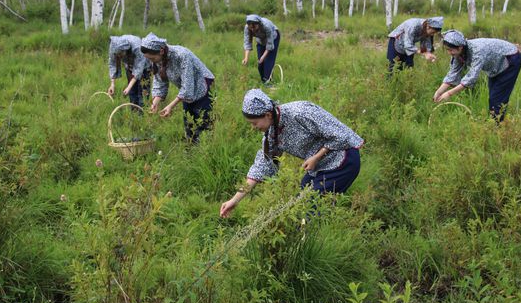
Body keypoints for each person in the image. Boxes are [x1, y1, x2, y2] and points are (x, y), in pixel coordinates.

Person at [220, 89, 364, 218]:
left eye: (254, 123)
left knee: (309, 208)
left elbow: (341, 135)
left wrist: (317, 157)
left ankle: (313, 241)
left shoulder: (300, 113)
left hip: (343, 161)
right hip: (320, 167)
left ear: (268, 114)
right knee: (299, 201)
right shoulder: (272, 134)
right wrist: (234, 200)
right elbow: (262, 167)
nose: (253, 127)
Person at [140, 33, 216, 143]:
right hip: (186, 90)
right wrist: (155, 103)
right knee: (189, 120)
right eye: (148, 59)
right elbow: (160, 82)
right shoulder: (157, 60)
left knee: (203, 120)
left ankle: (208, 148)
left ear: (161, 51)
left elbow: (188, 84)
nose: (151, 61)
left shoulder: (181, 55)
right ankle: (191, 149)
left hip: (203, 84)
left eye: (152, 58)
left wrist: (170, 106)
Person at [433, 30, 521, 122]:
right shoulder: (459, 53)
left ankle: (497, 127)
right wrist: (439, 91)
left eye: (450, 50)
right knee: (493, 96)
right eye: (447, 50)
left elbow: (471, 77)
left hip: (510, 60)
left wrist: (448, 93)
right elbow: (453, 72)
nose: (449, 53)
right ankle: (496, 123)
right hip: (495, 66)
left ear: (460, 47)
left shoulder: (477, 51)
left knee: (497, 98)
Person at [107, 35, 151, 108]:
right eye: (117, 55)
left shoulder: (137, 47)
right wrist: (112, 84)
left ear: (125, 50)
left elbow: (139, 69)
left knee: (143, 92)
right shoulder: (113, 47)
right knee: (132, 92)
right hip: (130, 67)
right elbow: (112, 64)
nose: (119, 57)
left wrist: (128, 87)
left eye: (121, 54)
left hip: (144, 68)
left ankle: (143, 112)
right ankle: (134, 113)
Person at [243, 14, 280, 84]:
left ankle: (269, 82)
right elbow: (247, 42)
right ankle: (264, 81)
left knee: (268, 61)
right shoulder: (247, 28)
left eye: (254, 27)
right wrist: (246, 58)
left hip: (273, 39)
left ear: (259, 24)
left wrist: (263, 57)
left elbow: (269, 45)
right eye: (251, 28)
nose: (253, 30)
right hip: (260, 41)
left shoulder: (266, 26)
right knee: (260, 63)